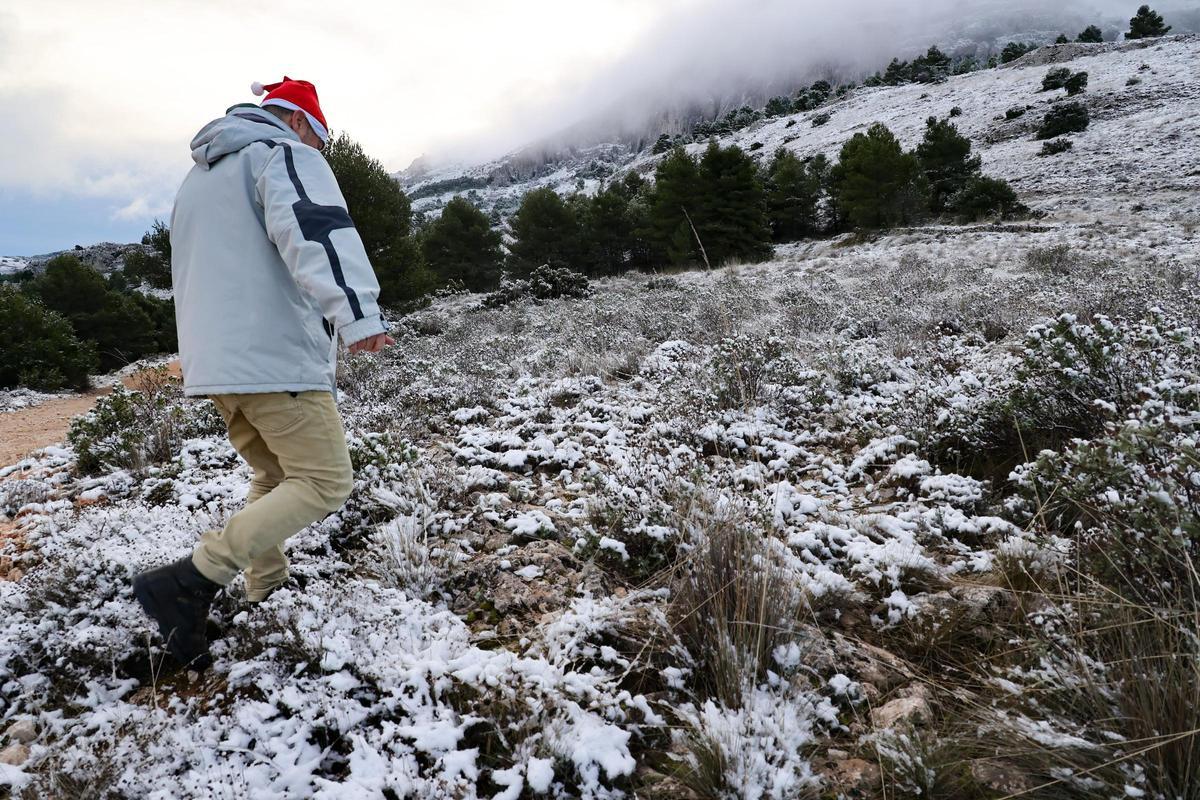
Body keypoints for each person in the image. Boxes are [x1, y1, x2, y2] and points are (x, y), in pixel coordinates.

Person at [133, 77, 394, 670]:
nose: (321, 153)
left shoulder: (198, 178)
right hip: (275, 355)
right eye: (322, 141)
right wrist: (359, 314)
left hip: (219, 363)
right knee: (327, 482)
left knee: (275, 473)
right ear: (301, 123)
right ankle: (192, 578)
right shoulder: (281, 153)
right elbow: (316, 230)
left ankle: (267, 585)